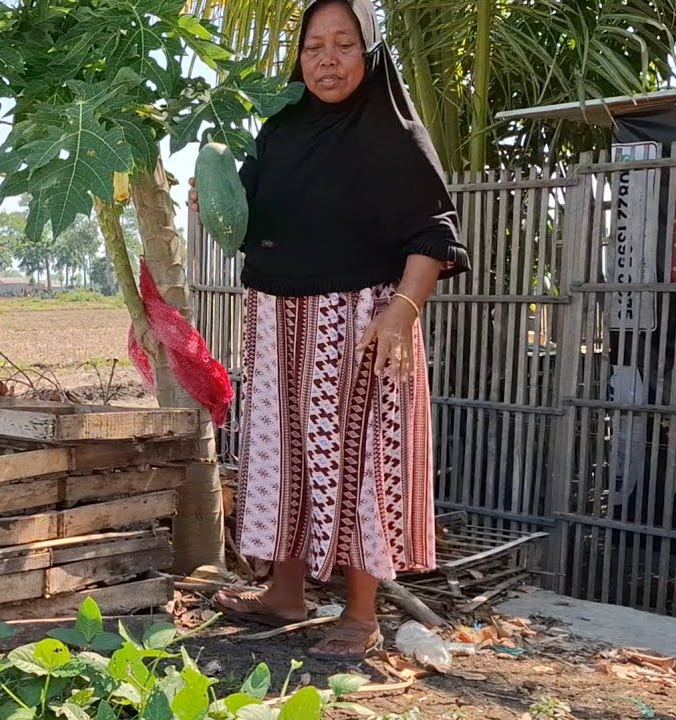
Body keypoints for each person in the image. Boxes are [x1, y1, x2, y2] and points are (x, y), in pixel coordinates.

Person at [188, 0, 470, 661]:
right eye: (315, 46)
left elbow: (435, 233)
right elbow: (247, 215)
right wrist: (212, 200)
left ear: (368, 52)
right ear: (298, 56)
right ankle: (285, 594)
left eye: (344, 44)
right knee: (282, 458)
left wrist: (402, 310)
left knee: (357, 461)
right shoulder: (280, 126)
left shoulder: (391, 133)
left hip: (362, 320)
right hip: (276, 317)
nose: (328, 59)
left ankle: (362, 612)